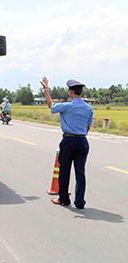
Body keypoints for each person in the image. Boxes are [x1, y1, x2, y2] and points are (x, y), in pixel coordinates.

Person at [40, 77, 93, 209]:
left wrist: (46, 89)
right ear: (82, 92)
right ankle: (80, 201)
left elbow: (50, 105)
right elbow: (88, 128)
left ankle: (63, 198)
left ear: (70, 92)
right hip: (82, 141)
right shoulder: (88, 108)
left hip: (68, 140)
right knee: (80, 172)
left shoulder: (67, 106)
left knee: (64, 170)